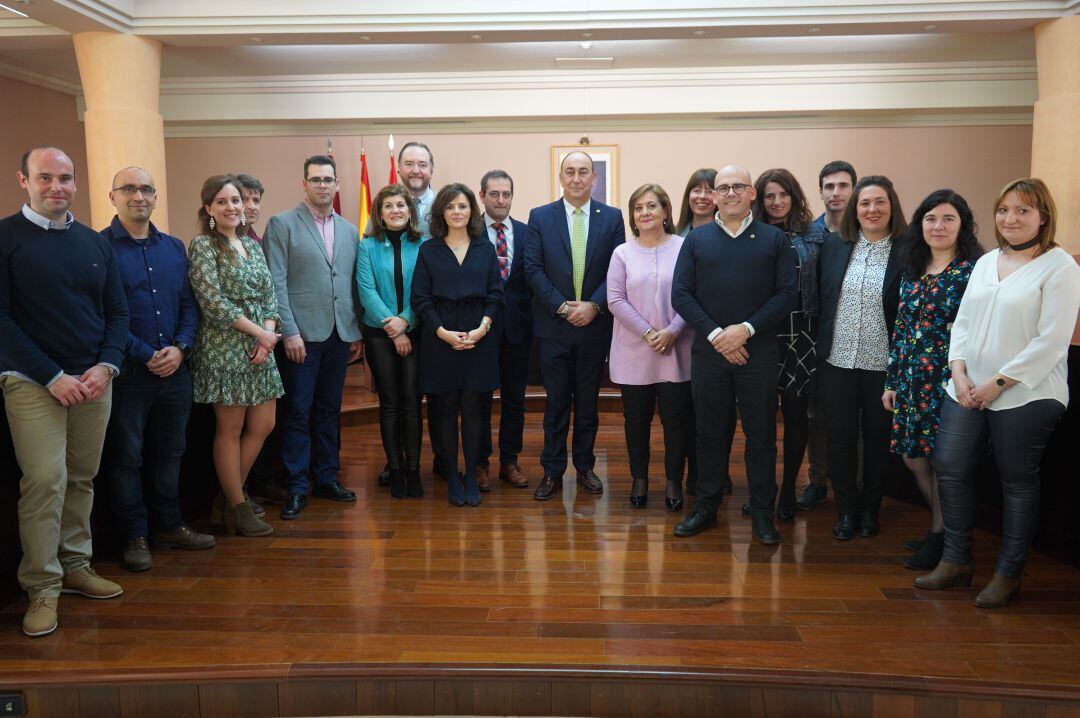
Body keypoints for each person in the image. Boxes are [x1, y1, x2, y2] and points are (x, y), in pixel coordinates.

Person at [915, 178, 1080, 608]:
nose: (1011, 219)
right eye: (1004, 209)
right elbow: (963, 322)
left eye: (1023, 211)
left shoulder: (1060, 267)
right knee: (949, 466)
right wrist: (960, 372)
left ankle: (1008, 574)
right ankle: (956, 561)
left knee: (1017, 482)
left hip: (1027, 393)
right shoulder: (987, 262)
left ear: (1043, 216)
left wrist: (997, 384)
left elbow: (1051, 341)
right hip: (967, 387)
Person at [1, 146, 129, 637]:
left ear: (77, 183)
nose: (57, 187)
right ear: (24, 179)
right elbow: (1, 320)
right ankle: (42, 587)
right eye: (45, 177)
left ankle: (76, 567)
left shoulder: (94, 244)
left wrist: (108, 364)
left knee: (81, 477)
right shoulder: (5, 238)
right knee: (45, 482)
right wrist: (52, 375)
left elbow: (117, 314)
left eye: (66, 178)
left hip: (94, 380)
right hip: (33, 382)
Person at [671, 164, 797, 545]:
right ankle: (706, 507)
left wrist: (745, 330)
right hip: (709, 354)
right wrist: (716, 334)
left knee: (760, 437)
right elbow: (681, 294)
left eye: (737, 187)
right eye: (722, 188)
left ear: (751, 193)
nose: (728, 193)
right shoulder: (697, 239)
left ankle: (762, 513)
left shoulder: (774, 239)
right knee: (709, 434)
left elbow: (787, 294)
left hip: (758, 353)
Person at [99, 166, 215, 573]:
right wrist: (147, 353)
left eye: (147, 189)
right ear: (113, 196)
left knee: (171, 453)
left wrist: (181, 348)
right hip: (130, 375)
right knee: (126, 458)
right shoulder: (99, 249)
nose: (139, 196)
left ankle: (169, 525)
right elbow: (104, 317)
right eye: (129, 189)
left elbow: (188, 305)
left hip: (176, 372)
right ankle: (135, 535)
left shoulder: (173, 247)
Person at [882, 190, 981, 570]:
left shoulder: (973, 271)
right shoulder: (913, 267)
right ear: (920, 224)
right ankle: (942, 530)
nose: (938, 226)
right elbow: (902, 327)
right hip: (909, 379)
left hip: (948, 381)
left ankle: (943, 537)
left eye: (948, 219)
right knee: (912, 457)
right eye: (930, 219)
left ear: (962, 226)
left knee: (944, 463)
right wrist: (891, 381)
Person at [262, 155, 362, 521]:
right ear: (304, 184)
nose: (323, 185)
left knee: (328, 411)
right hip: (301, 337)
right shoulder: (282, 224)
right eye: (316, 179)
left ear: (337, 185)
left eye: (328, 180)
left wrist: (355, 331)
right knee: (298, 412)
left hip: (339, 335)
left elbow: (349, 283)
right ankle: (296, 485)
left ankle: (326, 477)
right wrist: (289, 332)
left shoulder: (351, 230)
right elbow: (276, 283)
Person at [524, 151, 626, 501]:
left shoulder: (612, 218)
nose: (577, 178)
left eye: (584, 172)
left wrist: (594, 306)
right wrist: (563, 307)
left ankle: (584, 467)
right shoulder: (540, 216)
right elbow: (533, 269)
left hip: (595, 326)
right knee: (555, 404)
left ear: (594, 178)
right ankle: (552, 471)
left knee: (587, 404)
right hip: (554, 327)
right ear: (561, 177)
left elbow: (617, 269)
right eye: (571, 172)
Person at [188, 174, 283, 537]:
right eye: (223, 202)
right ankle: (238, 505)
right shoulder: (203, 246)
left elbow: (270, 295)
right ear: (209, 208)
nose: (232, 207)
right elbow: (212, 302)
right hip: (225, 348)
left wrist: (267, 335)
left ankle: (226, 500)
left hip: (262, 347)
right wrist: (259, 332)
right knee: (230, 429)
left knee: (263, 425)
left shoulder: (252, 245)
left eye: (236, 201)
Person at [817, 175, 906, 541]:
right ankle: (846, 510)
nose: (872, 209)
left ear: (892, 206)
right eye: (865, 203)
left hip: (881, 365)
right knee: (839, 438)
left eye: (879, 201)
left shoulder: (907, 250)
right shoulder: (837, 247)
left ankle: (871, 509)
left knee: (876, 439)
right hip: (837, 360)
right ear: (855, 209)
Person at [741, 168, 828, 522]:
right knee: (758, 421)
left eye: (783, 195)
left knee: (796, 418)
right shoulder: (749, 236)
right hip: (761, 334)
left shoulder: (815, 236)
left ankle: (790, 488)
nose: (776, 202)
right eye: (769, 196)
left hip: (802, 335)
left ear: (794, 196)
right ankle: (763, 491)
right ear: (759, 200)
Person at [411, 183, 503, 506]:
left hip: (480, 338)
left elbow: (496, 294)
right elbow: (420, 300)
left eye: (462, 206)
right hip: (440, 341)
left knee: (475, 411)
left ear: (471, 211)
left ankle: (472, 476)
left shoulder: (484, 248)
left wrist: (482, 328)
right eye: (450, 207)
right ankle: (452, 475)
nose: (457, 212)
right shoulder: (428, 250)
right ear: (441, 213)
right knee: (445, 411)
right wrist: (443, 333)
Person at [607, 184, 695, 511]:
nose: (645, 212)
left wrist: (672, 331)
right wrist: (648, 333)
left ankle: (674, 479)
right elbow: (615, 299)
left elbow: (693, 295)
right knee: (636, 421)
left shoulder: (684, 248)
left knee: (676, 421)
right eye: (639, 207)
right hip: (634, 352)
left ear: (665, 211)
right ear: (633, 215)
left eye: (652, 206)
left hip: (677, 350)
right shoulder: (623, 253)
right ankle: (639, 478)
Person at [356, 184, 426, 499]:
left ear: (410, 211)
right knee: (390, 403)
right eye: (388, 206)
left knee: (412, 403)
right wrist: (395, 329)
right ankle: (394, 469)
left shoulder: (424, 244)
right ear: (379, 213)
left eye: (401, 205)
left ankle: (413, 470)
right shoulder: (367, 245)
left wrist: (406, 321)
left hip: (416, 330)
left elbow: (425, 289)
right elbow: (366, 291)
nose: (395, 210)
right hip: (380, 333)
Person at [799, 160, 858, 513]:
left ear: (854, 188)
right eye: (829, 186)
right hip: (814, 338)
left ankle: (855, 486)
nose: (836, 193)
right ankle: (817, 481)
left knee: (856, 418)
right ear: (820, 191)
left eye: (843, 185)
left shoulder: (868, 232)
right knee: (815, 415)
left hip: (857, 337)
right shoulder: (809, 233)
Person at [476, 169, 532, 490]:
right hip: (481, 329)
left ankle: (509, 461)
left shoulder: (526, 232)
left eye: (506, 194)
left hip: (518, 330)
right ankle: (481, 463)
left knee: (515, 400)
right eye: (494, 194)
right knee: (480, 399)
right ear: (482, 196)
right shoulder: (469, 232)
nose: (501, 200)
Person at [673, 168, 727, 497]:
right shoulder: (675, 235)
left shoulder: (731, 235)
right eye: (697, 189)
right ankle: (694, 474)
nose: (703, 196)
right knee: (687, 412)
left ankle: (714, 473)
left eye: (710, 190)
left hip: (718, 339)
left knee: (717, 413)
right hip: (680, 337)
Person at [675, 168, 717, 238]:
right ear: (688, 195)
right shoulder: (675, 235)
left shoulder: (727, 235)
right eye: (697, 191)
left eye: (709, 191)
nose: (702, 196)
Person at [236, 173, 265, 242]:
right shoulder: (216, 241)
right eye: (244, 199)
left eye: (256, 200)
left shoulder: (259, 244)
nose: (252, 207)